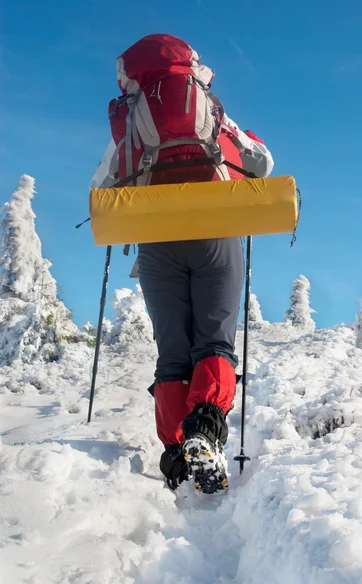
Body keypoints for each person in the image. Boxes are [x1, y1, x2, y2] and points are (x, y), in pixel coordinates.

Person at [92, 34, 274, 494]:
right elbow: (262, 164)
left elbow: (102, 188)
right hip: (214, 235)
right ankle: (205, 429)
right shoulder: (208, 109)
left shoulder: (131, 121)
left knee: (173, 350)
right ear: (191, 69)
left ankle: (176, 454)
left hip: (157, 246)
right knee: (214, 339)